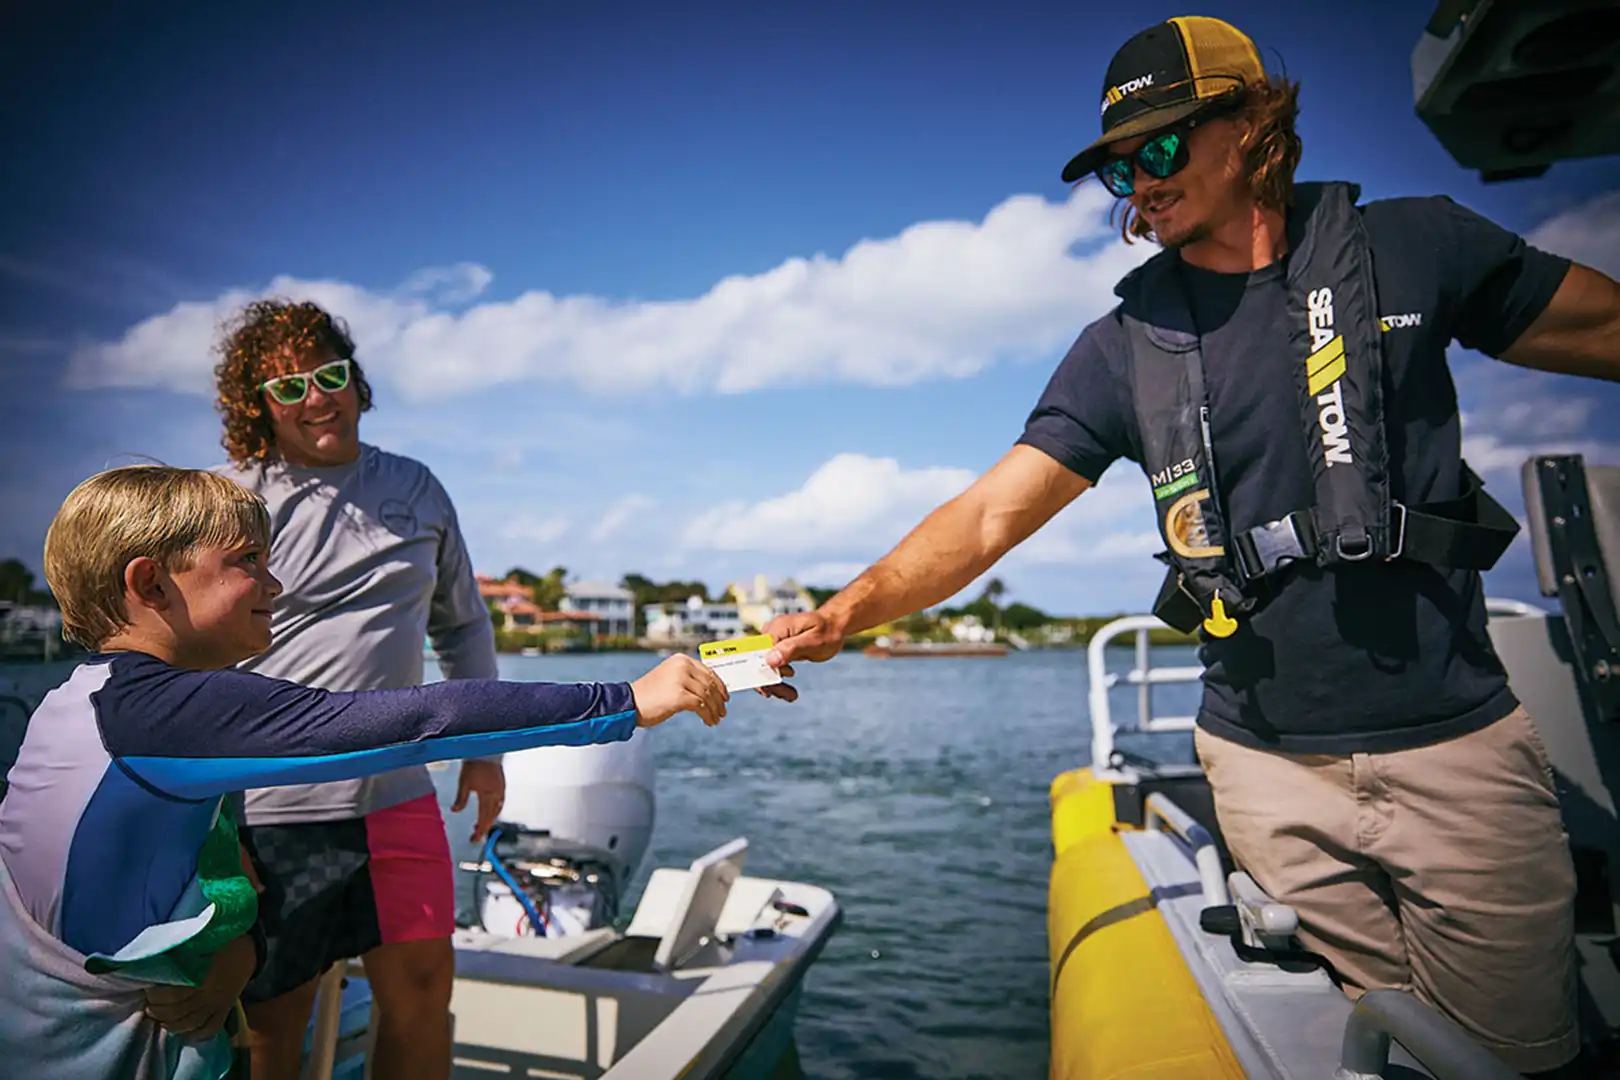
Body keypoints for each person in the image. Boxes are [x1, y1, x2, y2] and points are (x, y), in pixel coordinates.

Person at [761, 15, 1619, 1077]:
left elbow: (1606, 331)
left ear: (1253, 121)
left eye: (1160, 148)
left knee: (1521, 1060)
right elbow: (989, 516)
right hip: (1264, 775)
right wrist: (845, 613)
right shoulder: (1121, 347)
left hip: (1459, 751)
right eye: (1120, 167)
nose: (1140, 183)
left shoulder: (1417, 246)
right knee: (1347, 1049)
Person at [0, 464, 736, 1080]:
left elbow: (189, 876)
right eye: (246, 562)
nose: (275, 584)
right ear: (150, 584)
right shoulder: (162, 714)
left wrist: (232, 956)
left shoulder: (77, 706)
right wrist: (627, 701)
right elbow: (419, 720)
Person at [206, 297, 517, 1079]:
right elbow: (189, 662)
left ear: (355, 379)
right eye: (288, 387)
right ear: (258, 407)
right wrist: (208, 822)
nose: (317, 396)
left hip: (396, 798)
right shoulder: (228, 505)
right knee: (273, 1027)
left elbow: (464, 627)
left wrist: (487, 753)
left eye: (330, 373)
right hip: (270, 811)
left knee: (422, 999)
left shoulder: (417, 487)